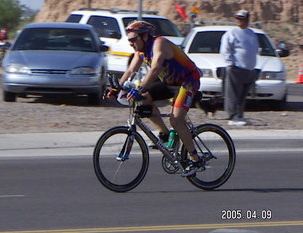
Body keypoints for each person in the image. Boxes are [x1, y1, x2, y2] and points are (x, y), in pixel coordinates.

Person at [107, 20, 203, 176]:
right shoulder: (141, 51)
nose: (130, 43)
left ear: (145, 36)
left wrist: (141, 88)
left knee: (176, 120)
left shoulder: (159, 43)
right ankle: (164, 133)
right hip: (169, 82)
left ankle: (195, 159)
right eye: (129, 40)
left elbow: (155, 68)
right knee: (143, 99)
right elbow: (131, 70)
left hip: (187, 81)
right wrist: (115, 88)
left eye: (133, 39)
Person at [220, 10, 259, 126]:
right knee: (233, 93)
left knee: (243, 94)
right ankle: (232, 116)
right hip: (235, 68)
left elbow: (254, 49)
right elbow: (225, 49)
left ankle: (240, 115)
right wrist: (230, 63)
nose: (239, 20)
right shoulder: (231, 33)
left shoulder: (251, 33)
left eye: (242, 18)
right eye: (237, 18)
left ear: (247, 19)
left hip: (248, 69)